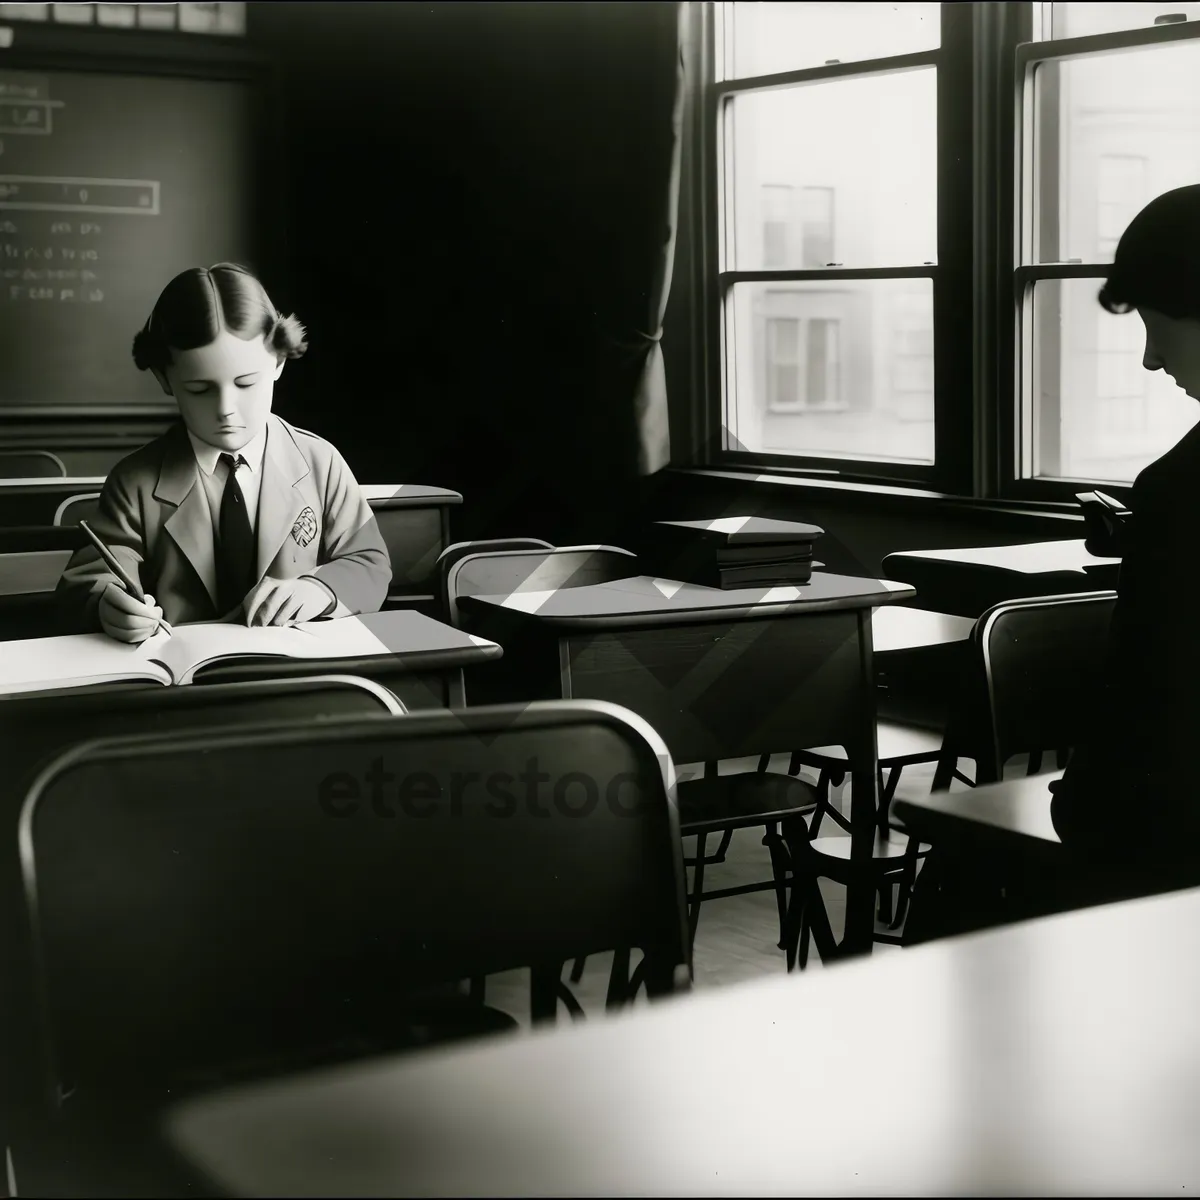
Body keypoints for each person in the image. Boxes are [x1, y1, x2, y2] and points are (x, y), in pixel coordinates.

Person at [906, 185, 1200, 944]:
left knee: (961, 892)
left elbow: (1146, 707)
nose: (1150, 356)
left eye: (1157, 324)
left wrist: (1082, 808)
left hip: (1169, 853)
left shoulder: (1179, 491)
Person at [57, 263, 391, 641]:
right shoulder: (135, 481)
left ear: (279, 362)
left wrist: (321, 590)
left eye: (246, 383)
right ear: (165, 379)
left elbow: (369, 562)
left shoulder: (320, 462)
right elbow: (93, 578)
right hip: (180, 683)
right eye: (200, 389)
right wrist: (109, 604)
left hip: (300, 679)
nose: (226, 409)